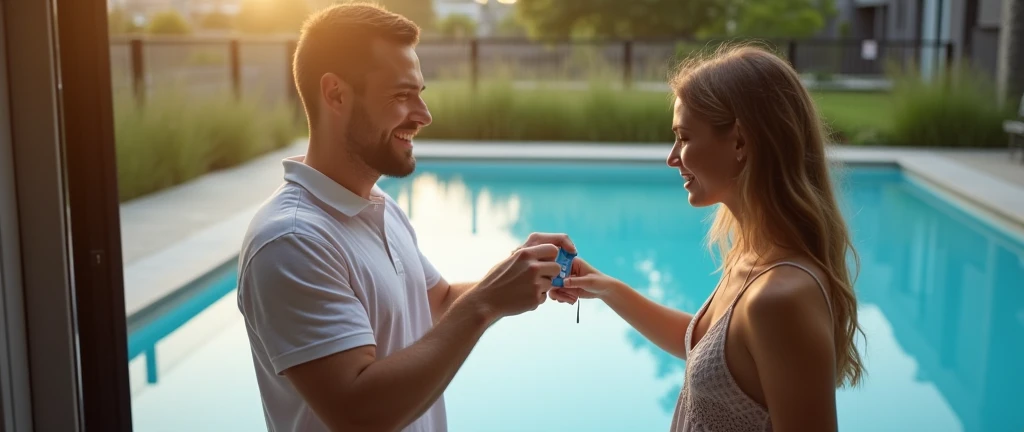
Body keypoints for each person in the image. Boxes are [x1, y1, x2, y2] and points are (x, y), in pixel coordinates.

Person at [236, 4, 575, 432]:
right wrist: (486, 302)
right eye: (401, 95)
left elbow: (434, 303)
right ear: (336, 94)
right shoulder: (291, 240)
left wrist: (525, 272)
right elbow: (359, 414)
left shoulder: (377, 205)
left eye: (419, 92)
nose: (424, 114)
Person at [549, 44, 866, 432]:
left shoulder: (780, 297)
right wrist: (606, 289)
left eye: (683, 137)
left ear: (740, 142)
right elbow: (707, 351)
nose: (672, 157)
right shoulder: (753, 256)